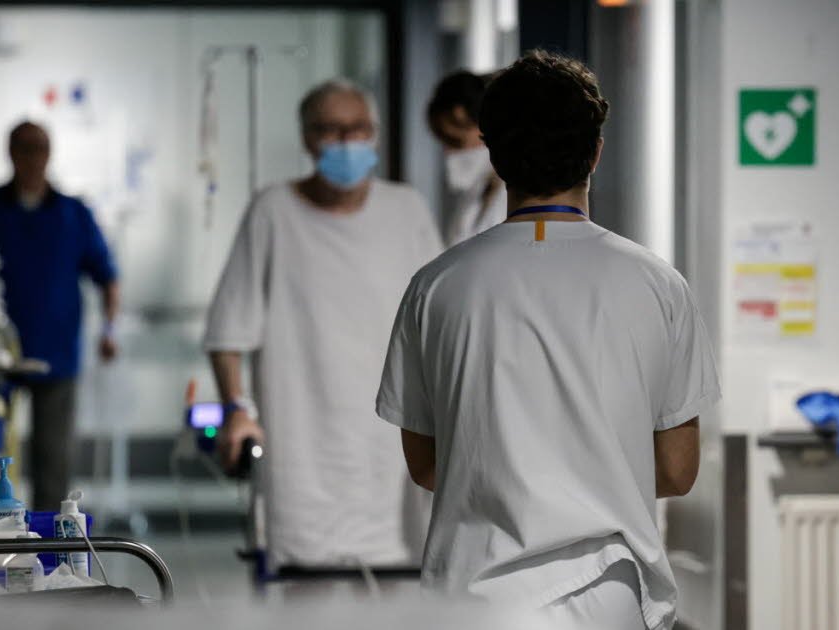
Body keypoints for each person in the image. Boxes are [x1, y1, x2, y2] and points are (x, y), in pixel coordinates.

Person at [377, 51, 717, 630]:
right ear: (596, 152)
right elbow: (678, 470)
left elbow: (427, 464)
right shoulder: (658, 285)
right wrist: (597, 470)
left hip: (473, 596)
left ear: (493, 151)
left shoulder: (435, 286)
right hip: (609, 592)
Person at [204, 79, 443, 569]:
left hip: (393, 445)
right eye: (331, 130)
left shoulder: (406, 210)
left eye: (358, 129)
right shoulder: (273, 211)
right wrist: (236, 408)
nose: (346, 142)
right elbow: (229, 329)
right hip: (301, 447)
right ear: (307, 138)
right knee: (306, 582)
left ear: (374, 133)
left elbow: (442, 323)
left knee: (400, 581)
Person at [0, 121, 119, 511]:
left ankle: (51, 539)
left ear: (49, 154)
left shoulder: (73, 214)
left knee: (53, 462)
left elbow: (108, 277)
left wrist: (110, 330)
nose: (31, 158)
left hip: (56, 355)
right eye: (23, 148)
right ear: (9, 152)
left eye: (38, 148)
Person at [426, 71, 506, 247]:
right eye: (444, 142)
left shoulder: (513, 197)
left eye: (456, 141)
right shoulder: (473, 196)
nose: (448, 152)